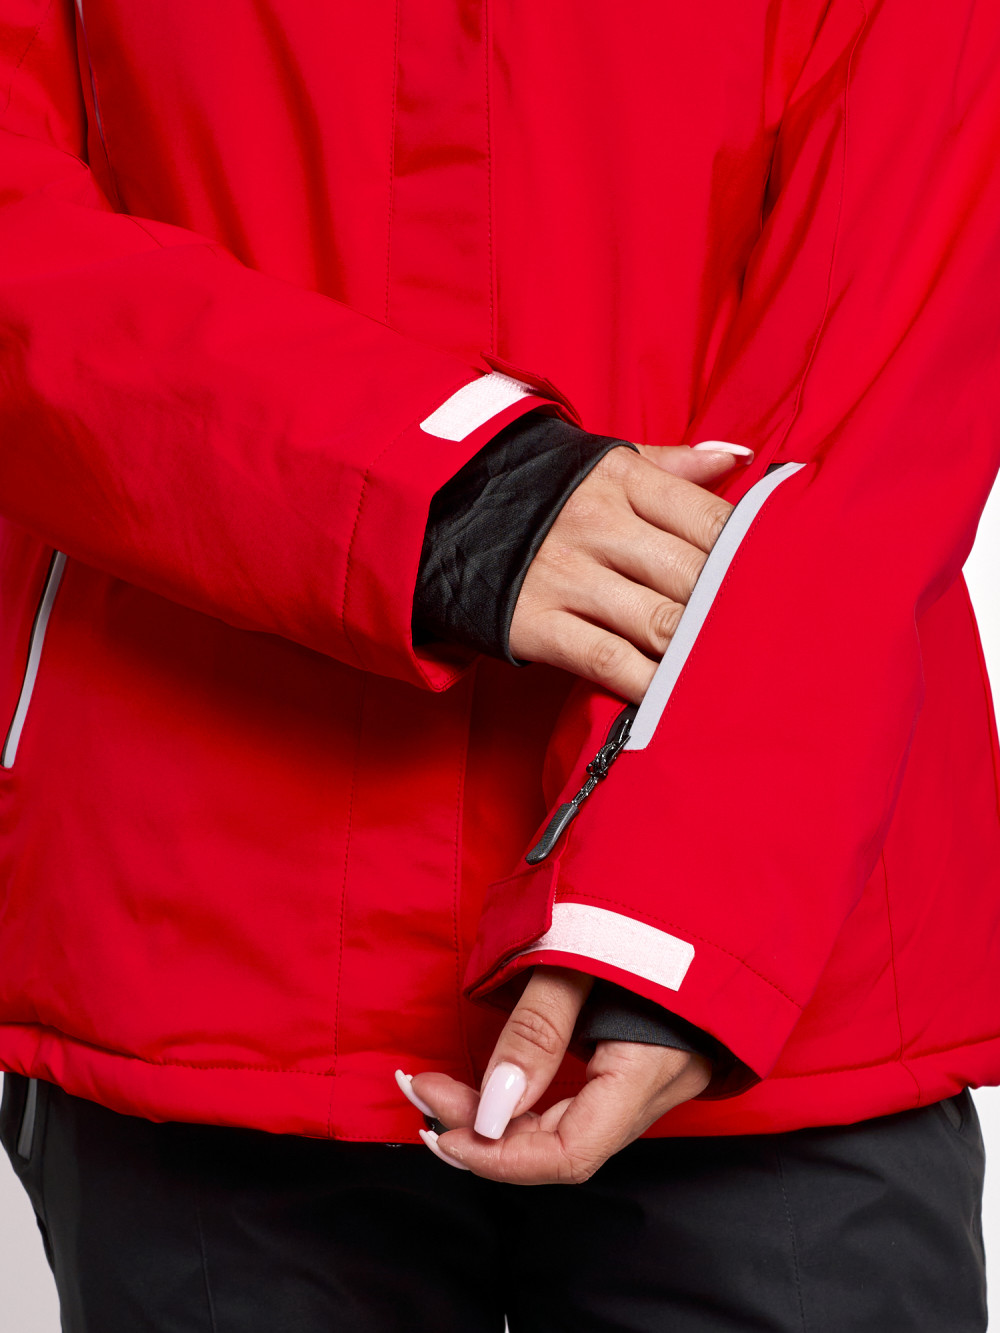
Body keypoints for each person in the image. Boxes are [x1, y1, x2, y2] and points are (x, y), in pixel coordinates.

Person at [0, 0, 998, 1328]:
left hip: (786, 954)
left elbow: (898, 314)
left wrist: (679, 909)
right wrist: (443, 490)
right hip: (212, 921)